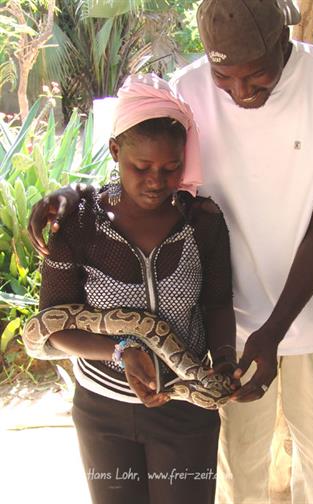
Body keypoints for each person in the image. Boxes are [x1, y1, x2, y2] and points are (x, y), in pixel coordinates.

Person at [28, 1, 313, 503]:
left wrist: (274, 331)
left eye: (257, 78)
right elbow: (140, 167)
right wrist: (68, 198)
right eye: (225, 77)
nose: (240, 93)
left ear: (285, 40)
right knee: (240, 475)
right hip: (226, 333)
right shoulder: (186, 91)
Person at [24, 73, 237, 504]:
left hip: (186, 410)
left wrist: (226, 362)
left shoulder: (203, 220)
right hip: (103, 411)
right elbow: (53, 326)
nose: (156, 180)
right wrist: (122, 349)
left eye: (171, 167)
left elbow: (217, 303)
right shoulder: (77, 224)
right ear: (115, 151)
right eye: (141, 168)